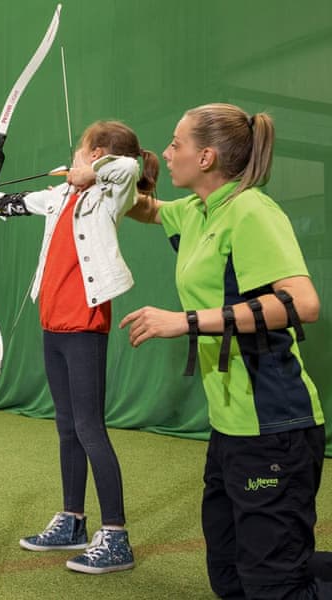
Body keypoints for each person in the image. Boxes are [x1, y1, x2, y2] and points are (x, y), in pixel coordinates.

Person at [121, 102, 329, 598]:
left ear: (207, 157)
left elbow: (303, 303)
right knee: (231, 576)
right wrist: (101, 177)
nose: (167, 154)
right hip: (231, 427)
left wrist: (187, 322)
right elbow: (144, 208)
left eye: (176, 144)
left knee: (273, 586)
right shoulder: (197, 210)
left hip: (275, 425)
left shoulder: (251, 210)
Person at [0, 120, 159, 574]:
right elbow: (21, 203)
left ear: (96, 154)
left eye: (81, 151)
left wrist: (91, 174)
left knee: (89, 427)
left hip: (84, 323)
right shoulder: (62, 197)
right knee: (66, 427)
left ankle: (116, 536)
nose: (74, 157)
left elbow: (129, 170)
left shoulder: (108, 191)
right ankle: (73, 521)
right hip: (53, 323)